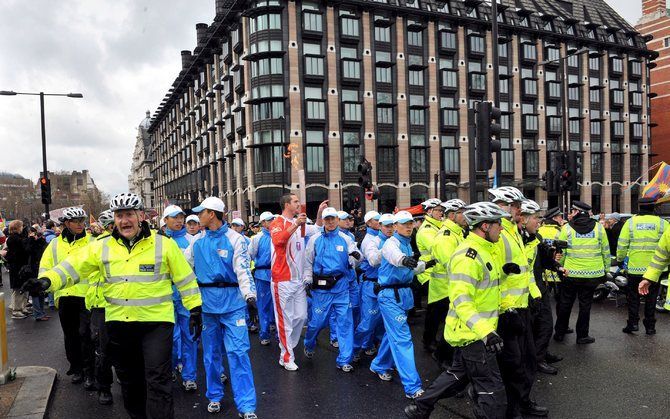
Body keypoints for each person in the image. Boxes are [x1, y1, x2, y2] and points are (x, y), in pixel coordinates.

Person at [22, 193, 202, 419]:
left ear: (141, 216)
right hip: (120, 323)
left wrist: (195, 308)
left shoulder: (163, 245)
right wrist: (47, 281)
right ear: (114, 219)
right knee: (130, 381)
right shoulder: (101, 246)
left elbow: (185, 279)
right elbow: (71, 267)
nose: (125, 220)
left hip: (156, 324)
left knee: (158, 380)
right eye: (120, 215)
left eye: (129, 214)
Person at [404, 202, 508, 419]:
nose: (502, 228)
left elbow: (484, 288)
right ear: (485, 227)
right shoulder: (468, 256)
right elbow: (462, 300)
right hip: (474, 334)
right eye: (498, 223)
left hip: (475, 330)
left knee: (457, 376)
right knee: (492, 392)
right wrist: (485, 332)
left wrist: (505, 274)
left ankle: (420, 407)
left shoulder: (485, 249)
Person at [190, 197, 257, 418]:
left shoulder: (236, 239)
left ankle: (246, 406)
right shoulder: (196, 242)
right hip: (208, 307)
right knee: (211, 355)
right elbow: (185, 272)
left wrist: (250, 296)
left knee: (238, 353)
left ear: (212, 214)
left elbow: (243, 270)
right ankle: (214, 396)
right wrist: (192, 306)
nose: (198, 216)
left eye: (202, 212)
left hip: (234, 305)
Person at [489, 187, 546, 418]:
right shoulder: (499, 234)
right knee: (512, 364)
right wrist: (505, 307)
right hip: (506, 310)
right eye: (515, 206)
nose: (519, 211)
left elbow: (525, 270)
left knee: (528, 361)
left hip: (521, 306)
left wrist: (536, 295)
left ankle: (522, 402)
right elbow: (493, 276)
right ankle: (512, 408)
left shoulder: (513, 230)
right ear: (501, 206)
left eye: (519, 207)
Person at [370, 211, 429, 400]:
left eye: (410, 223)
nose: (409, 226)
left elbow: (413, 266)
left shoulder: (406, 243)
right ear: (395, 226)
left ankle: (379, 364)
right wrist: (406, 260)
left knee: (393, 333)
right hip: (389, 296)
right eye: (404, 224)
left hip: (402, 294)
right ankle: (412, 387)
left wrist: (427, 265)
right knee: (402, 338)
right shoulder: (390, 243)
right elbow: (396, 258)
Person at [39, 207, 95, 389]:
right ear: (66, 224)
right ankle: (76, 368)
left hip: (86, 297)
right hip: (64, 296)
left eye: (82, 221)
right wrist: (42, 283)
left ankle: (89, 372)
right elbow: (45, 267)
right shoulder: (54, 244)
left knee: (86, 335)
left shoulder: (92, 241)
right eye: (76, 221)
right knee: (70, 336)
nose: (80, 224)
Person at [269, 194, 326, 371]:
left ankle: (286, 349)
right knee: (284, 321)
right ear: (287, 205)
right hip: (281, 280)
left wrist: (318, 214)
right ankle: (286, 356)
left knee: (301, 316)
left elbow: (317, 229)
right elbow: (279, 240)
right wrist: (297, 224)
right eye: (295, 202)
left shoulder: (299, 225)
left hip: (298, 280)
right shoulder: (276, 223)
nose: (298, 204)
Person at [303, 207, 360, 371]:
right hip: (321, 289)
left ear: (337, 219)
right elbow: (307, 262)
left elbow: (357, 258)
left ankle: (344, 360)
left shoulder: (346, 239)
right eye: (327, 219)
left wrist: (356, 258)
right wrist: (307, 280)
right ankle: (309, 342)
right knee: (317, 323)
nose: (330, 222)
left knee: (345, 323)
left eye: (332, 218)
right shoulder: (315, 239)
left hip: (341, 287)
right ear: (323, 220)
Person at [554, 201, 610, 344]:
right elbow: (605, 251)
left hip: (571, 274)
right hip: (592, 275)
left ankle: (559, 333)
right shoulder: (598, 228)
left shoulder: (566, 228)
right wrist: (606, 270)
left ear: (577, 212)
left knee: (566, 303)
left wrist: (560, 268)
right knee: (585, 306)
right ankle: (582, 336)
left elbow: (561, 253)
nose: (571, 213)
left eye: (572, 211)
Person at [521, 201, 565, 376]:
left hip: (540, 286)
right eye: (535, 218)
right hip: (529, 290)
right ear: (524, 219)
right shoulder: (521, 239)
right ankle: (537, 359)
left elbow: (543, 260)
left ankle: (541, 353)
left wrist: (556, 264)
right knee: (543, 325)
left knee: (543, 325)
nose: (539, 222)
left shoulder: (536, 237)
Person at [425, 198, 467, 369]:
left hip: (451, 286)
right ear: (452, 215)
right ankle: (443, 357)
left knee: (449, 324)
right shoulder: (445, 236)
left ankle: (444, 355)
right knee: (446, 324)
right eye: (462, 213)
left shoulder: (457, 232)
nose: (466, 216)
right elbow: (451, 263)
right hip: (444, 288)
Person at [617, 197, 668, 335]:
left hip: (634, 268)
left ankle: (633, 324)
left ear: (639, 207)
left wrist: (620, 260)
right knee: (651, 299)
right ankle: (650, 327)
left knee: (633, 298)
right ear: (654, 207)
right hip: (655, 269)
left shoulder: (630, 223)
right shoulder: (663, 224)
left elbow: (622, 245)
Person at [162, 204, 199, 392]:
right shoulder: (158, 242)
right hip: (165, 298)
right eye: (174, 217)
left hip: (185, 298)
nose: (179, 221)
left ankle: (189, 375)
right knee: (168, 337)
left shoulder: (191, 240)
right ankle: (171, 367)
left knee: (189, 336)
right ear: (165, 220)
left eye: (180, 217)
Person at [85, 209, 115, 405]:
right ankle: (104, 387)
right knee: (103, 350)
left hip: (124, 305)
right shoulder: (96, 246)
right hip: (101, 305)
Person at [353, 210, 384, 359]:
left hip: (384, 285)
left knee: (381, 322)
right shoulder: (369, 240)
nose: (379, 221)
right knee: (368, 322)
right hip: (370, 285)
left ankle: (370, 344)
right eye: (376, 219)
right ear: (368, 223)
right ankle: (354, 348)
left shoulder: (384, 237)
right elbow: (373, 260)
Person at [416, 198, 444, 351]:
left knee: (437, 309)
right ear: (429, 212)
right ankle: (429, 340)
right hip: (428, 273)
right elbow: (438, 248)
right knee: (435, 309)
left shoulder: (437, 226)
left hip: (437, 273)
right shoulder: (427, 229)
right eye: (438, 210)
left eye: (441, 210)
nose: (441, 213)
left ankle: (430, 339)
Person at [248, 211, 277, 345]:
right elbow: (251, 255)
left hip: (278, 275)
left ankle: (278, 333)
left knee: (278, 306)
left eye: (273, 220)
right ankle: (264, 334)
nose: (271, 222)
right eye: (269, 220)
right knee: (263, 305)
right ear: (263, 223)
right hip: (262, 275)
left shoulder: (278, 236)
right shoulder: (256, 238)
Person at [5, 220, 31, 319]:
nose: (22, 228)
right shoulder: (14, 239)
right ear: (17, 227)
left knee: (22, 288)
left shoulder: (14, 238)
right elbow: (23, 250)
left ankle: (22, 308)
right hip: (17, 267)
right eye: (21, 226)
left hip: (18, 267)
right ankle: (17, 310)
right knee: (18, 289)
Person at [26, 227, 48, 321]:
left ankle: (42, 312)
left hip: (40, 268)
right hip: (33, 269)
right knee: (35, 292)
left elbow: (44, 250)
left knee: (41, 291)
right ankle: (38, 314)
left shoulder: (39, 242)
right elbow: (28, 250)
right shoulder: (27, 242)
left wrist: (41, 239)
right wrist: (31, 239)